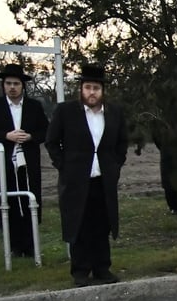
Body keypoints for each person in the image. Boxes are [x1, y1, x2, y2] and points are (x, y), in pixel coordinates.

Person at [45, 63, 129, 286]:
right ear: (81, 89)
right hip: (76, 180)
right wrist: (64, 166)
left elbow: (122, 143)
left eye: (96, 88)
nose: (92, 92)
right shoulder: (65, 112)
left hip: (102, 180)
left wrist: (115, 166)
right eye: (88, 87)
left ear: (103, 91)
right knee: (79, 225)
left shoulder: (114, 113)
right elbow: (52, 142)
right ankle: (80, 271)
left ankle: (102, 269)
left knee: (102, 226)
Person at [0, 63, 50, 256]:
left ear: (22, 85)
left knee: (30, 200)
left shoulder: (34, 106)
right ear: (3, 85)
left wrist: (31, 137)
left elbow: (46, 131)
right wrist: (6, 136)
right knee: (8, 201)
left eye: (16, 83)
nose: (12, 87)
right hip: (4, 162)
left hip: (27, 162)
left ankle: (31, 246)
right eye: (8, 83)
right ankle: (15, 247)